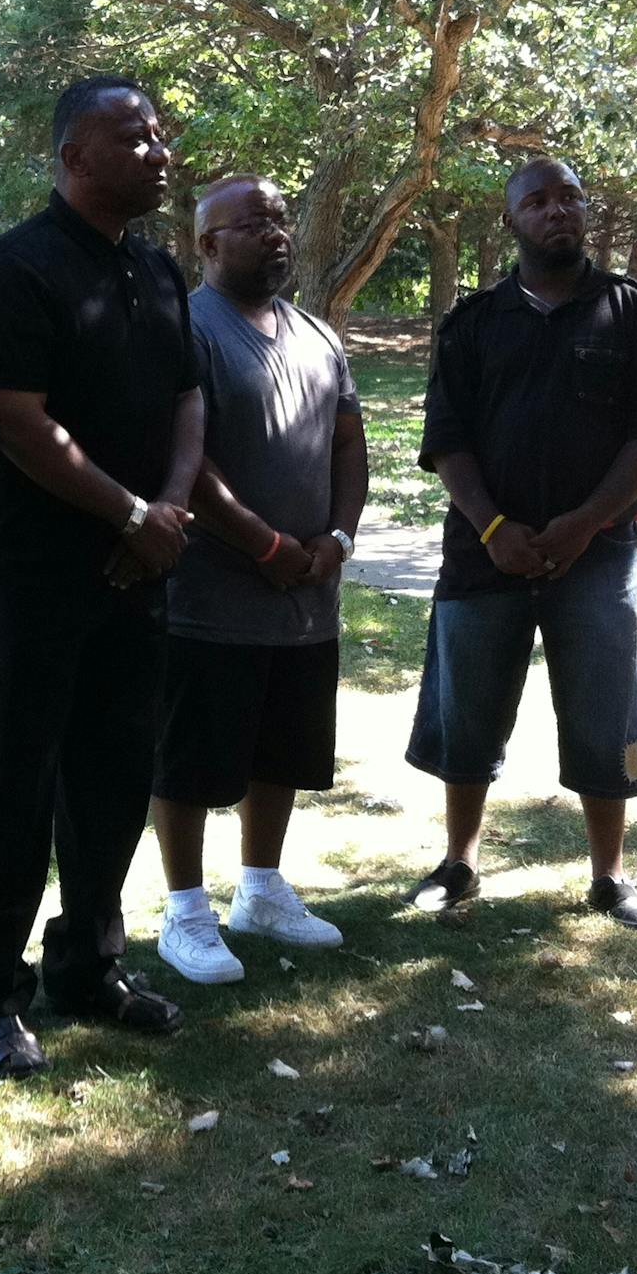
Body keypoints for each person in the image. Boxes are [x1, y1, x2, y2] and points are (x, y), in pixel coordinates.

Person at [0, 75, 206, 1076]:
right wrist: (130, 512)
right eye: (132, 136)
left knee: (115, 776)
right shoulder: (15, 269)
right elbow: (18, 422)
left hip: (140, 575)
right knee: (16, 782)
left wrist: (171, 511)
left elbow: (190, 397)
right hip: (39, 575)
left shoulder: (160, 270)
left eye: (159, 134)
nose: (158, 150)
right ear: (74, 157)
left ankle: (88, 967)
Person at [403, 158, 637, 932]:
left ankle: (610, 877)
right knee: (466, 712)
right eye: (536, 201)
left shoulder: (635, 315)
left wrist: (587, 520)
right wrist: (494, 528)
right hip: (483, 554)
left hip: (598, 556)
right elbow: (448, 439)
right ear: (512, 222)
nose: (556, 210)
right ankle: (459, 863)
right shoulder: (472, 325)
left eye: (569, 197)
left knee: (608, 712)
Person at [151, 175, 368, 984]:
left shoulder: (317, 334)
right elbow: (188, 459)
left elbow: (348, 440)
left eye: (280, 221)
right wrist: (263, 543)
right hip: (212, 594)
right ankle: (184, 909)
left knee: (285, 750)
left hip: (308, 596)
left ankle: (262, 890)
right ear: (207, 244)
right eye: (253, 225)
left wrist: (336, 538)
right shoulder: (189, 330)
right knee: (191, 759)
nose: (276, 235)